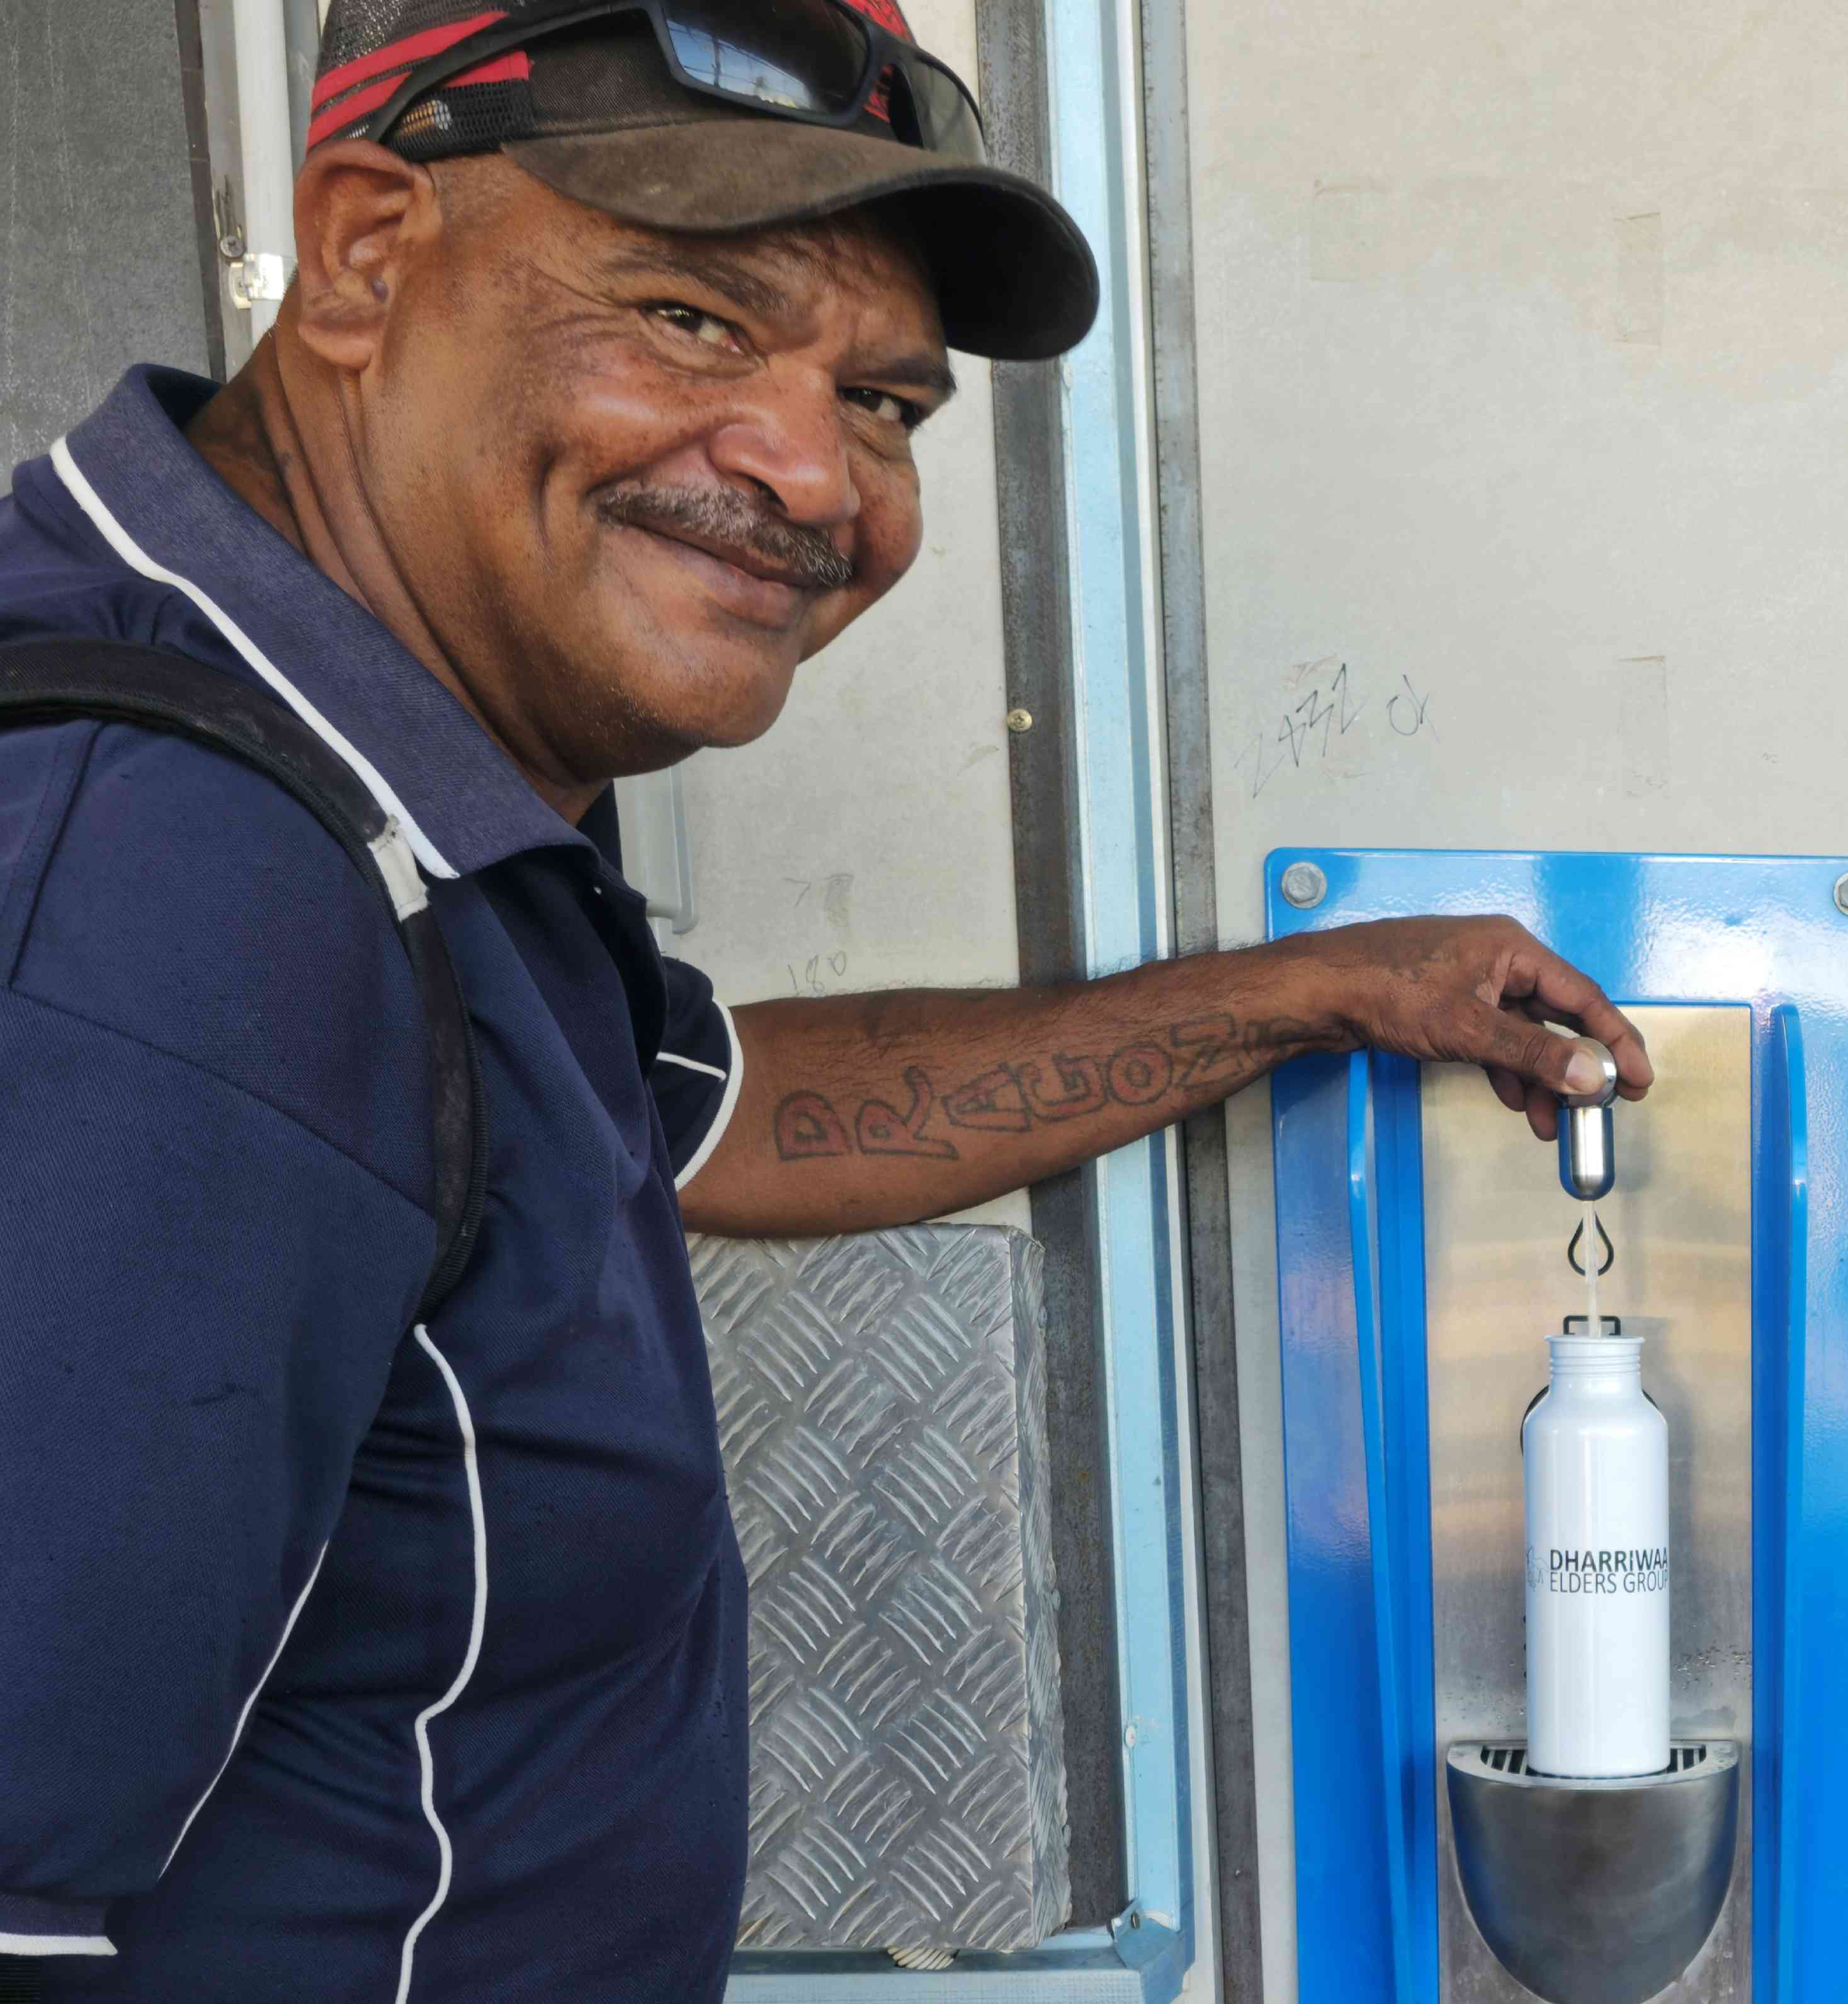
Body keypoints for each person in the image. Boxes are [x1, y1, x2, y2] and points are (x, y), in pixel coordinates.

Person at [0, 4, 1648, 1996]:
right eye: (692, 317)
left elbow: (728, 1107)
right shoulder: (168, 877)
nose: (811, 473)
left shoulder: (382, 792)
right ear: (361, 253)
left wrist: (1321, 990)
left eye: (883, 402)